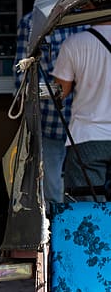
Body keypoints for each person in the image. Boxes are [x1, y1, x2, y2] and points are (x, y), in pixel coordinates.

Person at [14, 0, 87, 205]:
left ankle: (62, 229)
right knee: (63, 184)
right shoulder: (86, 22)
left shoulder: (33, 22)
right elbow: (22, 76)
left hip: (66, 117)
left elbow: (21, 77)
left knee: (60, 185)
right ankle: (65, 229)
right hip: (67, 119)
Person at [52, 17, 111, 198]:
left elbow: (60, 92)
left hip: (87, 136)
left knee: (87, 209)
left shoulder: (74, 44)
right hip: (87, 135)